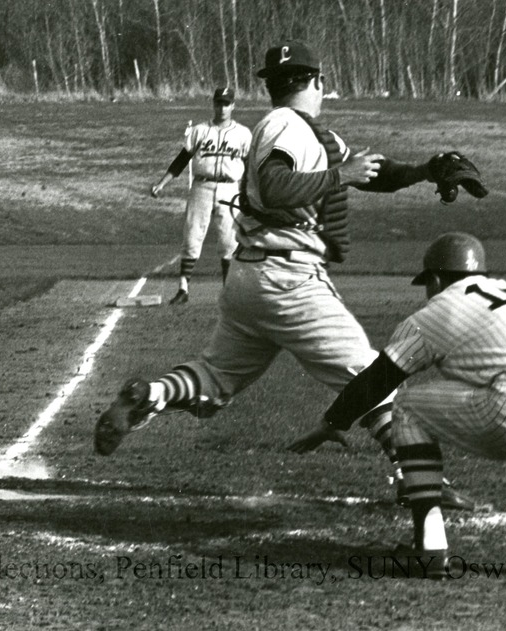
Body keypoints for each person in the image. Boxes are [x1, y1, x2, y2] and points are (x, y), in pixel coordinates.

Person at [94, 40, 475, 510]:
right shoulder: (285, 126)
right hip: (288, 281)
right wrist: (342, 177)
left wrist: (425, 170)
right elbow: (276, 187)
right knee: (372, 377)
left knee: (214, 378)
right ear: (317, 81)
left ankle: (148, 395)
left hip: (250, 281)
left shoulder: (308, 132)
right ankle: (419, 481)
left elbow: (372, 172)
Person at [289, 232, 506, 578]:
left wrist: (332, 422)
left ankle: (429, 547)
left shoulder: (439, 310)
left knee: (405, 406)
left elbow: (380, 379)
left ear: (435, 280)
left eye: (427, 283)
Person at [150, 87, 252, 305]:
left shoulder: (243, 134)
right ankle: (183, 289)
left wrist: (251, 194)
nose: (222, 108)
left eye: (226, 103)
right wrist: (161, 184)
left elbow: (250, 167)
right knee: (192, 236)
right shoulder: (199, 130)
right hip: (201, 187)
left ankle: (229, 292)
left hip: (229, 188)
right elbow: (181, 160)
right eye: (218, 103)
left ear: (233, 105)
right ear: (213, 104)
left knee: (229, 241)